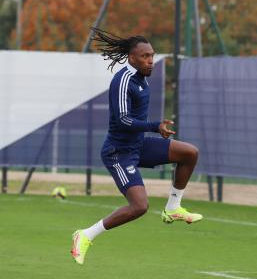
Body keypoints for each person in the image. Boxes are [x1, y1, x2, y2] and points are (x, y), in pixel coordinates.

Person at [71, 28, 202, 265]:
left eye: (152, 55)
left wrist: (152, 129)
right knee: (140, 206)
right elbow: (122, 119)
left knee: (189, 153)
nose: (150, 60)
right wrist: (155, 126)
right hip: (118, 152)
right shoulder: (122, 81)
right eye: (145, 56)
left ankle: (173, 208)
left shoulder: (142, 79)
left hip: (138, 145)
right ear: (132, 58)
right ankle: (86, 235)